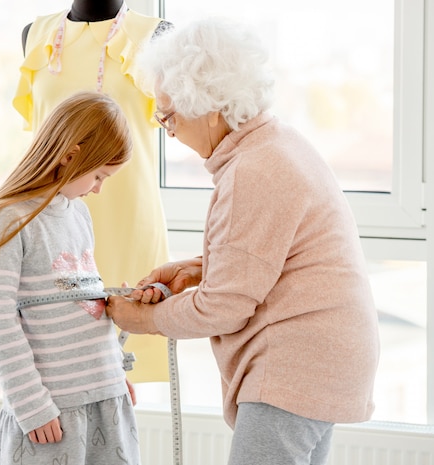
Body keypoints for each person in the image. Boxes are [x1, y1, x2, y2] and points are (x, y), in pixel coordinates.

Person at [106, 17, 380, 465]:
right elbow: (276, 251)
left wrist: (143, 320)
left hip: (296, 369)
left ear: (209, 105)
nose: (168, 130)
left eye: (169, 115)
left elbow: (222, 308)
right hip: (326, 361)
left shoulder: (252, 171)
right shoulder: (279, 143)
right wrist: (200, 266)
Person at [0, 91, 140, 464]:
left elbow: (87, 302)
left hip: (105, 400)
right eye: (98, 175)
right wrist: (31, 404)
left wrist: (112, 371)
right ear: (70, 156)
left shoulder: (78, 214)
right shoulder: (10, 219)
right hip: (51, 410)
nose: (99, 187)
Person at [13, 0, 173, 383]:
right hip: (51, 221)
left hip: (127, 217)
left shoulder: (157, 36)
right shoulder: (35, 35)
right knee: (56, 357)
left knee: (124, 374)